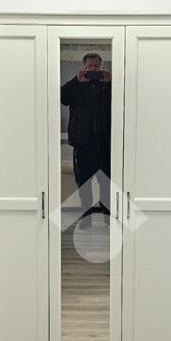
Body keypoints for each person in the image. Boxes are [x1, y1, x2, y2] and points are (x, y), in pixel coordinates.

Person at [60, 52, 112, 219]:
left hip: (105, 143)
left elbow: (123, 100)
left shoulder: (107, 86)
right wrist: (76, 81)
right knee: (84, 183)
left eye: (96, 66)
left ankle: (107, 215)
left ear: (101, 66)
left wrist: (111, 82)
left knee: (107, 182)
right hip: (82, 143)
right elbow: (61, 97)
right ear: (84, 67)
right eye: (90, 66)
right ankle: (86, 216)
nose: (93, 69)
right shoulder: (76, 86)